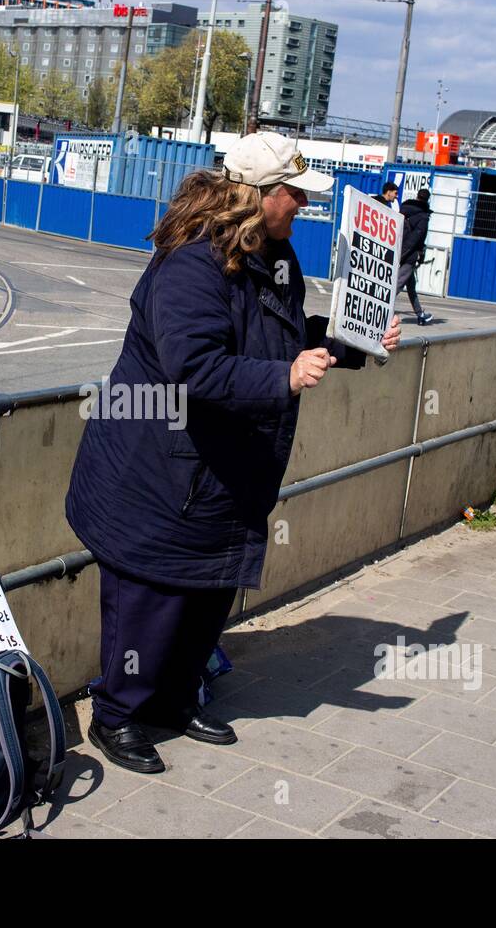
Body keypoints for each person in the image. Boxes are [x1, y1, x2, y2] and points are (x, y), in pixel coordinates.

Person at [65, 132, 402, 774]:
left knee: (206, 593)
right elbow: (193, 365)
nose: (302, 203)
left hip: (223, 471)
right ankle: (117, 715)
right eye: (292, 193)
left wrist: (353, 342)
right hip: (159, 470)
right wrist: (281, 378)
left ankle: (174, 696)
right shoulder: (192, 262)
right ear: (256, 194)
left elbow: (282, 333)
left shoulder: (275, 256)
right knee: (150, 600)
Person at [396, 187, 435, 326]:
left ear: (417, 196)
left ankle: (420, 314)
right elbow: (416, 239)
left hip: (398, 249)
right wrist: (418, 253)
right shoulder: (423, 217)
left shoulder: (405, 209)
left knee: (411, 286)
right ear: (427, 199)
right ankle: (379, 308)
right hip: (409, 255)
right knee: (397, 285)